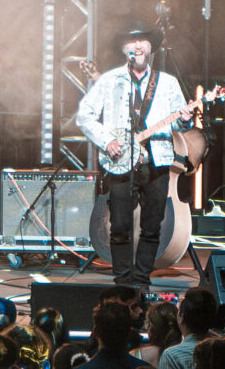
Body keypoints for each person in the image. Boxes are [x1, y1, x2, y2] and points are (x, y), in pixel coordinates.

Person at [72, 20, 190, 291]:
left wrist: (184, 119)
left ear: (150, 48)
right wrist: (106, 140)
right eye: (132, 41)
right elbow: (85, 116)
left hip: (157, 162)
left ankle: (142, 280)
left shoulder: (168, 83)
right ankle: (123, 282)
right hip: (120, 163)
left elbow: (180, 123)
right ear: (124, 48)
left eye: (143, 41)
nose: (137, 45)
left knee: (152, 227)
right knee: (120, 225)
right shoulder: (110, 81)